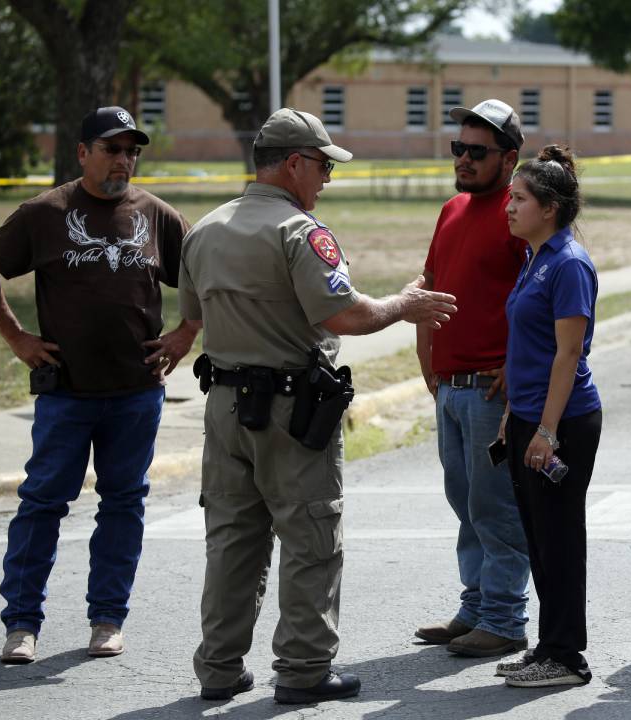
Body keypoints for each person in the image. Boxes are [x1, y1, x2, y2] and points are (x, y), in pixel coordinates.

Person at [179, 108, 457, 705]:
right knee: (310, 537)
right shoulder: (302, 233)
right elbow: (346, 316)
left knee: (232, 539)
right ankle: (304, 671)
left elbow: (192, 317)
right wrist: (403, 305)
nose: (327, 177)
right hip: (291, 411)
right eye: (323, 164)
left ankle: (219, 669)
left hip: (224, 406)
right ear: (294, 164)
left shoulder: (203, 230)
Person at [0, 106, 198, 664]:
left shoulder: (157, 215)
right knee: (43, 502)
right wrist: (19, 338)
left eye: (132, 150)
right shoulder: (46, 213)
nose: (123, 159)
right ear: (82, 153)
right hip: (66, 392)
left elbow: (204, 275)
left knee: (123, 503)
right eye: (112, 148)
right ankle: (21, 624)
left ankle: (107, 619)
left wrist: (187, 332)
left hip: (136, 392)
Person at [414, 99, 532, 658]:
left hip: (491, 392)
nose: (462, 158)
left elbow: (546, 294)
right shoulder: (452, 208)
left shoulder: (522, 211)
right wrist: (426, 358)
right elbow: (431, 280)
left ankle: (506, 619)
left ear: (509, 159)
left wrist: (517, 364)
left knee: (496, 507)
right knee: (464, 503)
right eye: (458, 148)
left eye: (476, 151)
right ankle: (476, 606)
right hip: (451, 388)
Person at [496, 145, 603, 689]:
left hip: (562, 422)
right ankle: (548, 646)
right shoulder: (536, 257)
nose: (509, 208)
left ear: (550, 208)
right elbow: (529, 349)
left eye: (519, 199)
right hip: (530, 417)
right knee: (540, 538)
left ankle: (566, 657)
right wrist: (515, 413)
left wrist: (545, 430)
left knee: (559, 537)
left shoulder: (569, 264)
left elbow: (568, 355)